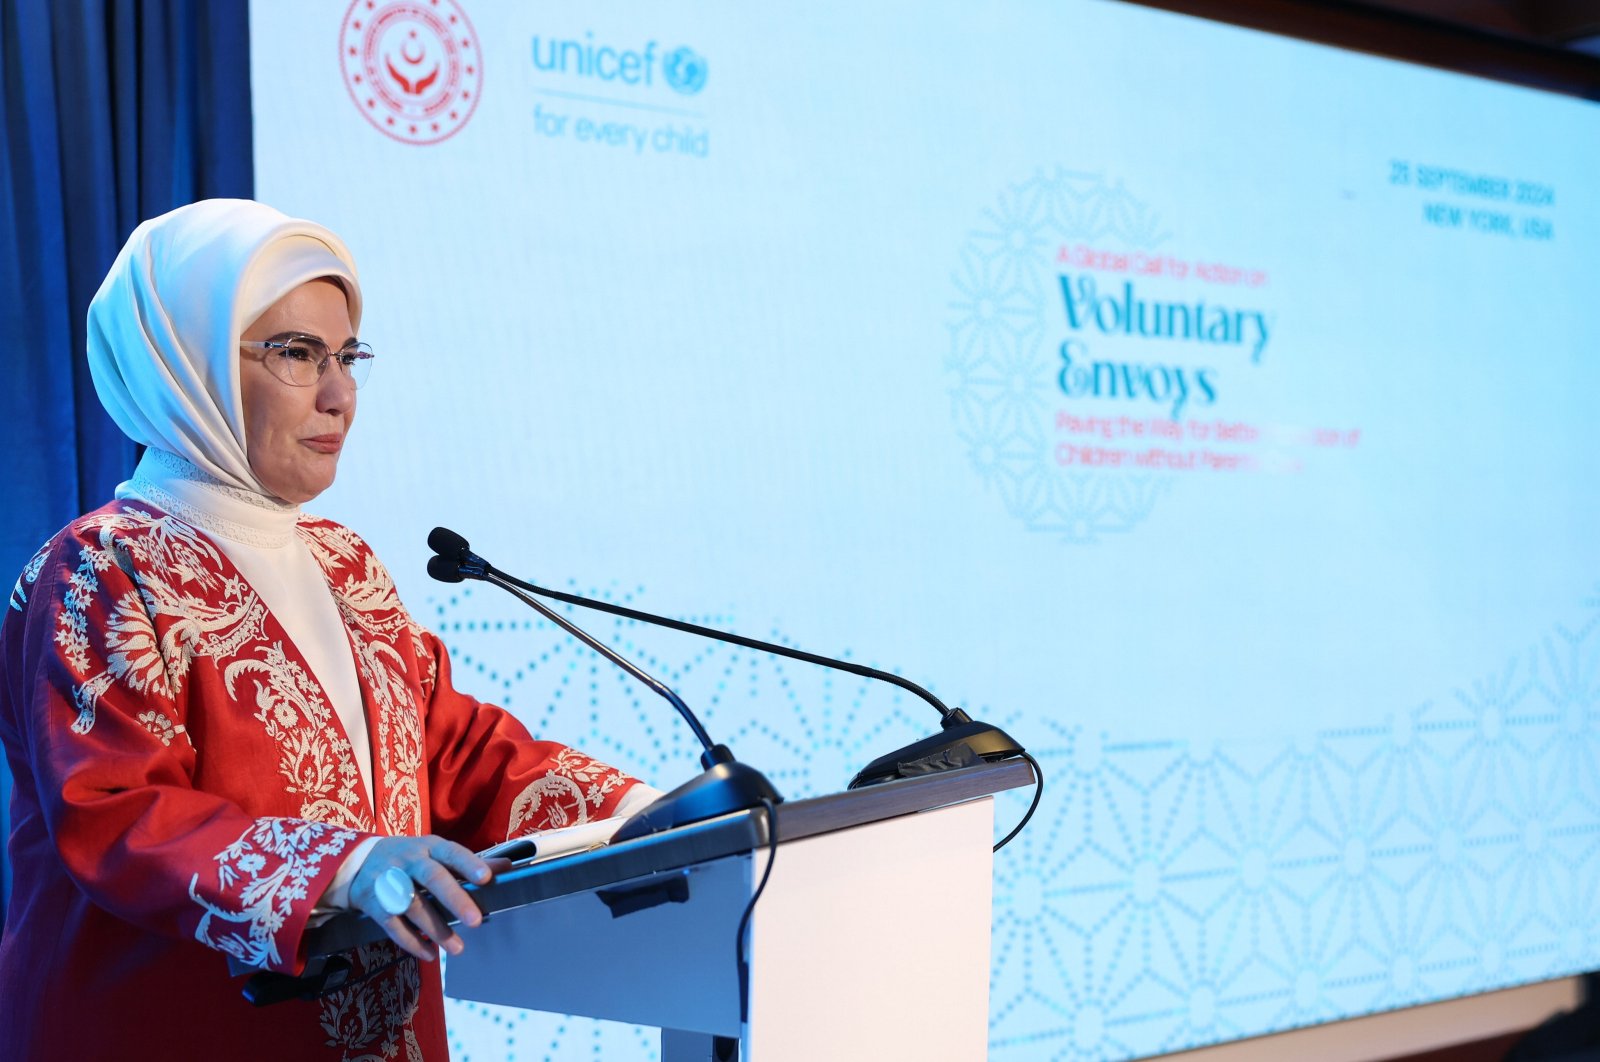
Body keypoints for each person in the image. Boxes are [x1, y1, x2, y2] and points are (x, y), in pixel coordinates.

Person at [0, 199, 660, 1060]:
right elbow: (119, 813)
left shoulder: (342, 562)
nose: (341, 394)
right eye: (297, 354)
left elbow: (449, 757)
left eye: (347, 355)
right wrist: (350, 868)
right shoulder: (103, 567)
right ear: (184, 365)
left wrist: (652, 815)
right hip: (168, 1027)